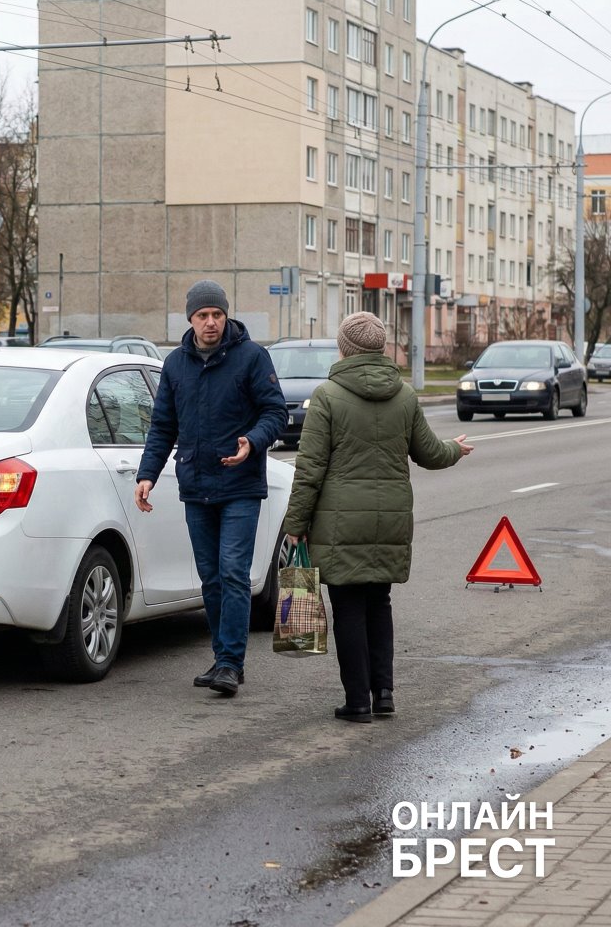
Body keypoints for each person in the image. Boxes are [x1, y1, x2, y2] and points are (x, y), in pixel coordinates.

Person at [281, 311, 473, 723]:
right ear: (381, 348)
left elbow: (309, 470)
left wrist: (295, 525)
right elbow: (430, 454)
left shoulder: (328, 396)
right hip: (390, 518)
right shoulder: (404, 396)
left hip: (340, 523)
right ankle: (383, 693)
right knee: (379, 602)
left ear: (344, 348)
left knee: (348, 607)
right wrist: (456, 448)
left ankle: (357, 702)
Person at [134, 280, 288, 697]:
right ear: (191, 319)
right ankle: (223, 660)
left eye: (217, 315)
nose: (211, 323)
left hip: (240, 485)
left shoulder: (252, 358)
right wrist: (146, 474)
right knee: (210, 579)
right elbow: (163, 426)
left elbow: (276, 412)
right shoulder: (175, 364)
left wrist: (252, 441)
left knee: (233, 572)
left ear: (226, 316)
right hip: (196, 486)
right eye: (203, 316)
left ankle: (230, 662)